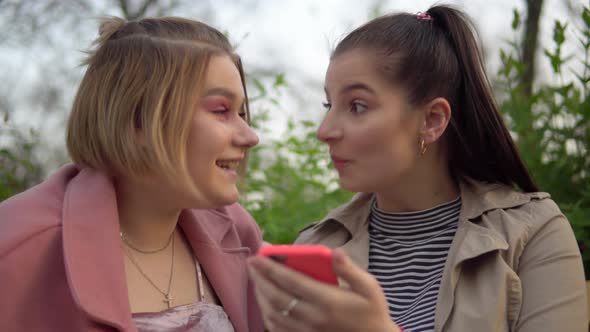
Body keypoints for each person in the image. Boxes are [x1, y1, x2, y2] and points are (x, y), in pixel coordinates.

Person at [248, 4, 587, 332]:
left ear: (431, 120)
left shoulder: (532, 233)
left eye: (357, 106)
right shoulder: (314, 246)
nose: (324, 131)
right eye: (329, 104)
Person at [0, 16, 264, 332]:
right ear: (137, 120)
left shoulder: (237, 231)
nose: (250, 136)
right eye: (222, 111)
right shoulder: (17, 251)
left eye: (243, 113)